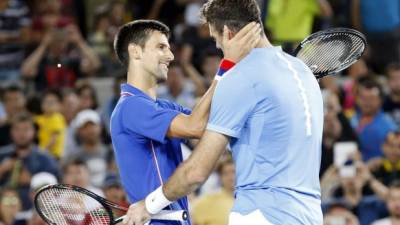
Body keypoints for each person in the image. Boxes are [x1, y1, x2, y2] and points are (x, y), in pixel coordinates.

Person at [122, 0, 324, 224]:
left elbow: (196, 172)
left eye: (216, 39)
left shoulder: (240, 78)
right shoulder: (302, 71)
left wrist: (148, 205)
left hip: (262, 214)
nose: (218, 46)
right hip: (310, 214)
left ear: (228, 33)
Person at [110, 19, 260, 225]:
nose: (170, 56)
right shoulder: (131, 106)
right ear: (135, 51)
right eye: (161, 47)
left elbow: (212, 121)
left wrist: (240, 68)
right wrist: (227, 65)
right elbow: (195, 127)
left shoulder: (164, 107)